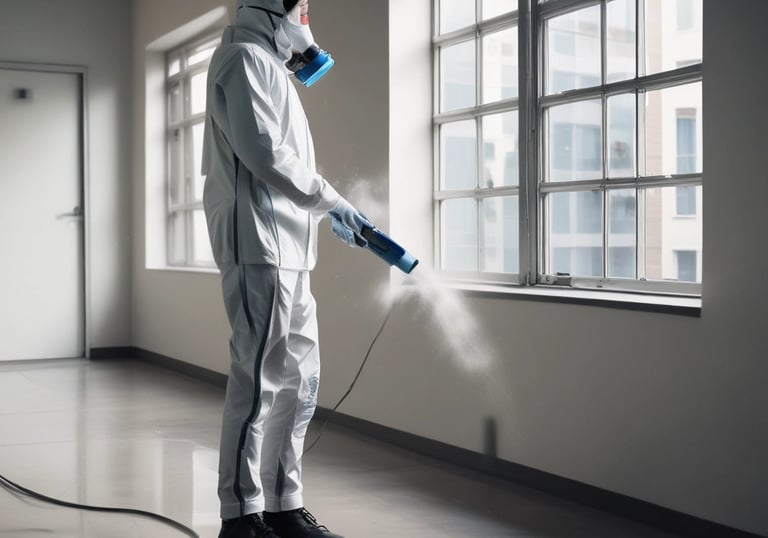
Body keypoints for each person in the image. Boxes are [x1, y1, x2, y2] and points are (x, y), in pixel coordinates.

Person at [201, 1, 365, 536]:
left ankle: (282, 503)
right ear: (278, 10)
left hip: (293, 250)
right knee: (258, 383)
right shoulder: (242, 59)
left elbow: (286, 163)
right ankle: (241, 516)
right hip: (258, 245)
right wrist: (333, 201)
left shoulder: (272, 67)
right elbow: (265, 155)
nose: (307, 24)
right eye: (304, 11)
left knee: (300, 379)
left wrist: (324, 212)